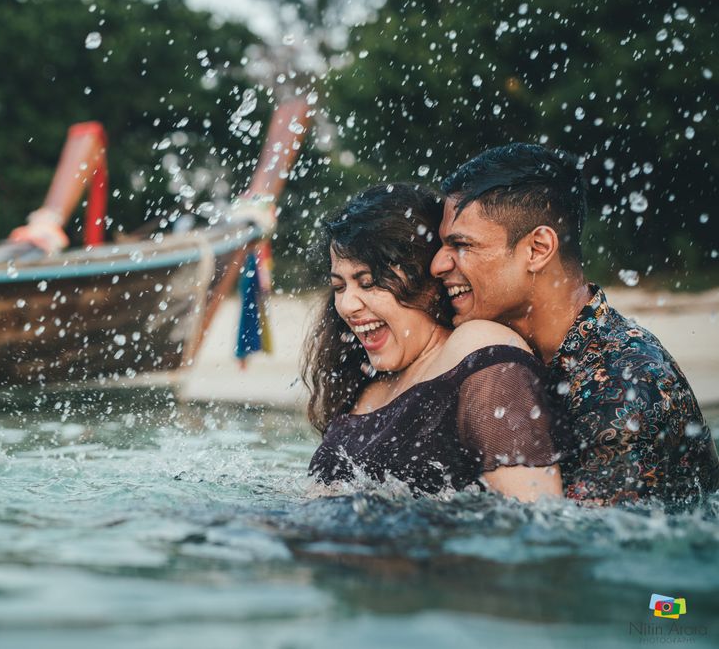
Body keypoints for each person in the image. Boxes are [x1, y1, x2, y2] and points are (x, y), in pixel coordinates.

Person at [431, 143, 719, 506]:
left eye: (461, 245)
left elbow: (585, 550)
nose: (438, 265)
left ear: (537, 249)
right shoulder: (524, 358)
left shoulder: (625, 387)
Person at [305, 183, 566, 502]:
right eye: (339, 286)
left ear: (426, 282)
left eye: (369, 282)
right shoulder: (367, 384)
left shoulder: (477, 348)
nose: (347, 306)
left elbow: (536, 513)